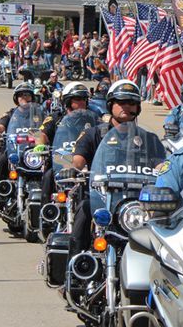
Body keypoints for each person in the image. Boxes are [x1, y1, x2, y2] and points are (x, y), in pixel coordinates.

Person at [68, 80, 163, 251]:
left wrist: (166, 171)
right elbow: (78, 161)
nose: (126, 106)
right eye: (121, 102)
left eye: (131, 102)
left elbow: (161, 166)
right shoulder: (93, 134)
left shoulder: (149, 138)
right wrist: (75, 168)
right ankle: (75, 266)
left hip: (139, 202)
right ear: (111, 104)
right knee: (84, 208)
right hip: (103, 198)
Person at [36, 81, 97, 198]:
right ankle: (46, 212)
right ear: (68, 101)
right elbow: (41, 134)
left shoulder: (93, 118)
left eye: (84, 99)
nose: (82, 102)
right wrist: (40, 145)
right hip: (61, 160)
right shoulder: (56, 118)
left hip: (86, 161)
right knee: (48, 176)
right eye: (78, 99)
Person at [0, 83, 38, 182]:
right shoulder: (10, 114)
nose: (24, 98)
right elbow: (1, 125)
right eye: (21, 95)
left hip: (34, 150)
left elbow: (47, 129)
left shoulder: (39, 114)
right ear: (16, 98)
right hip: (14, 149)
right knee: (1, 163)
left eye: (27, 95)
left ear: (32, 98)